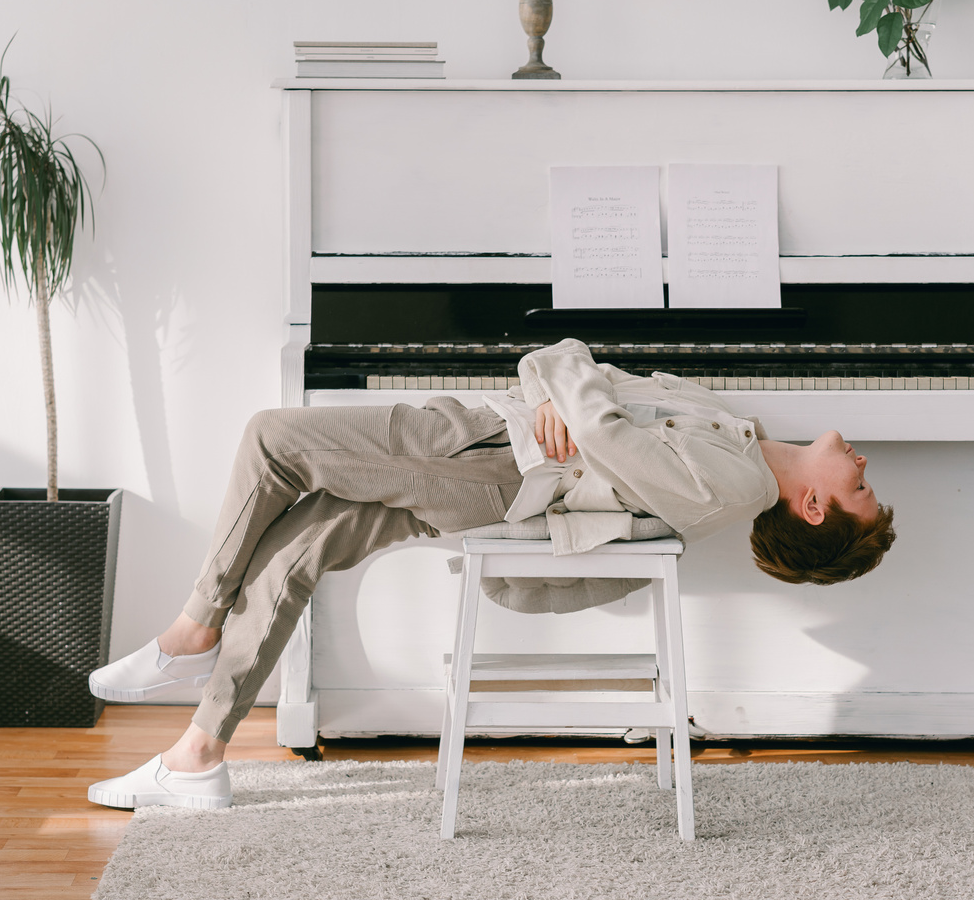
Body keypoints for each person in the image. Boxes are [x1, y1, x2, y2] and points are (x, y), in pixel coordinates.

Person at [85, 338, 895, 809]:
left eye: (858, 485)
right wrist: (570, 382)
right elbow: (598, 393)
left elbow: (606, 426)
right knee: (299, 546)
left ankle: (194, 626)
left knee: (271, 438)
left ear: (816, 508)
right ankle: (199, 756)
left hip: (489, 460)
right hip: (500, 457)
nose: (860, 461)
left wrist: (566, 374)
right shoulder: (741, 441)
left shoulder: (738, 478)